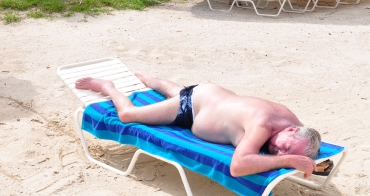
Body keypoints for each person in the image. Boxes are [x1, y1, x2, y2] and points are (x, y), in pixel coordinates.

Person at [75, 73, 321, 178]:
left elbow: (312, 152)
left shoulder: (294, 125)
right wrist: (288, 160)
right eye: (285, 147)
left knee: (176, 92)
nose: (279, 152)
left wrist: (302, 159)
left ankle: (152, 81)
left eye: (286, 152)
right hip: (192, 107)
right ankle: (107, 86)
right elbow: (238, 166)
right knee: (129, 114)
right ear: (290, 130)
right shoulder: (263, 126)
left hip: (212, 96)